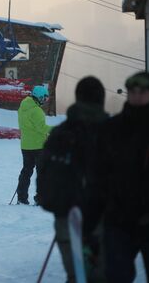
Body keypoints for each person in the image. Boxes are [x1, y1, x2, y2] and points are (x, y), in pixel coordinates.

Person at [87, 72, 149, 283]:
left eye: (143, 92)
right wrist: (91, 221)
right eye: (133, 91)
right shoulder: (112, 128)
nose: (137, 96)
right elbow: (97, 175)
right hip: (117, 219)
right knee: (117, 275)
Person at [37, 77, 108, 283]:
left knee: (76, 275)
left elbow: (43, 168)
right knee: (102, 275)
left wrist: (54, 203)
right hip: (104, 216)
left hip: (67, 215)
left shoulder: (60, 133)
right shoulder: (112, 131)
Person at [16, 85, 52, 205]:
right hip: (38, 145)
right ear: (39, 97)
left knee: (26, 171)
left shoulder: (22, 107)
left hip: (26, 145)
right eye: (44, 98)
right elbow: (42, 128)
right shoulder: (36, 111)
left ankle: (21, 197)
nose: (45, 101)